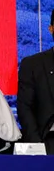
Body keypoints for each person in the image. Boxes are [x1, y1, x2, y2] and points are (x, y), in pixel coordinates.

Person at [17, 10, 54, 154]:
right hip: (49, 142)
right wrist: (37, 147)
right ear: (51, 28)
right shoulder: (33, 64)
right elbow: (25, 107)